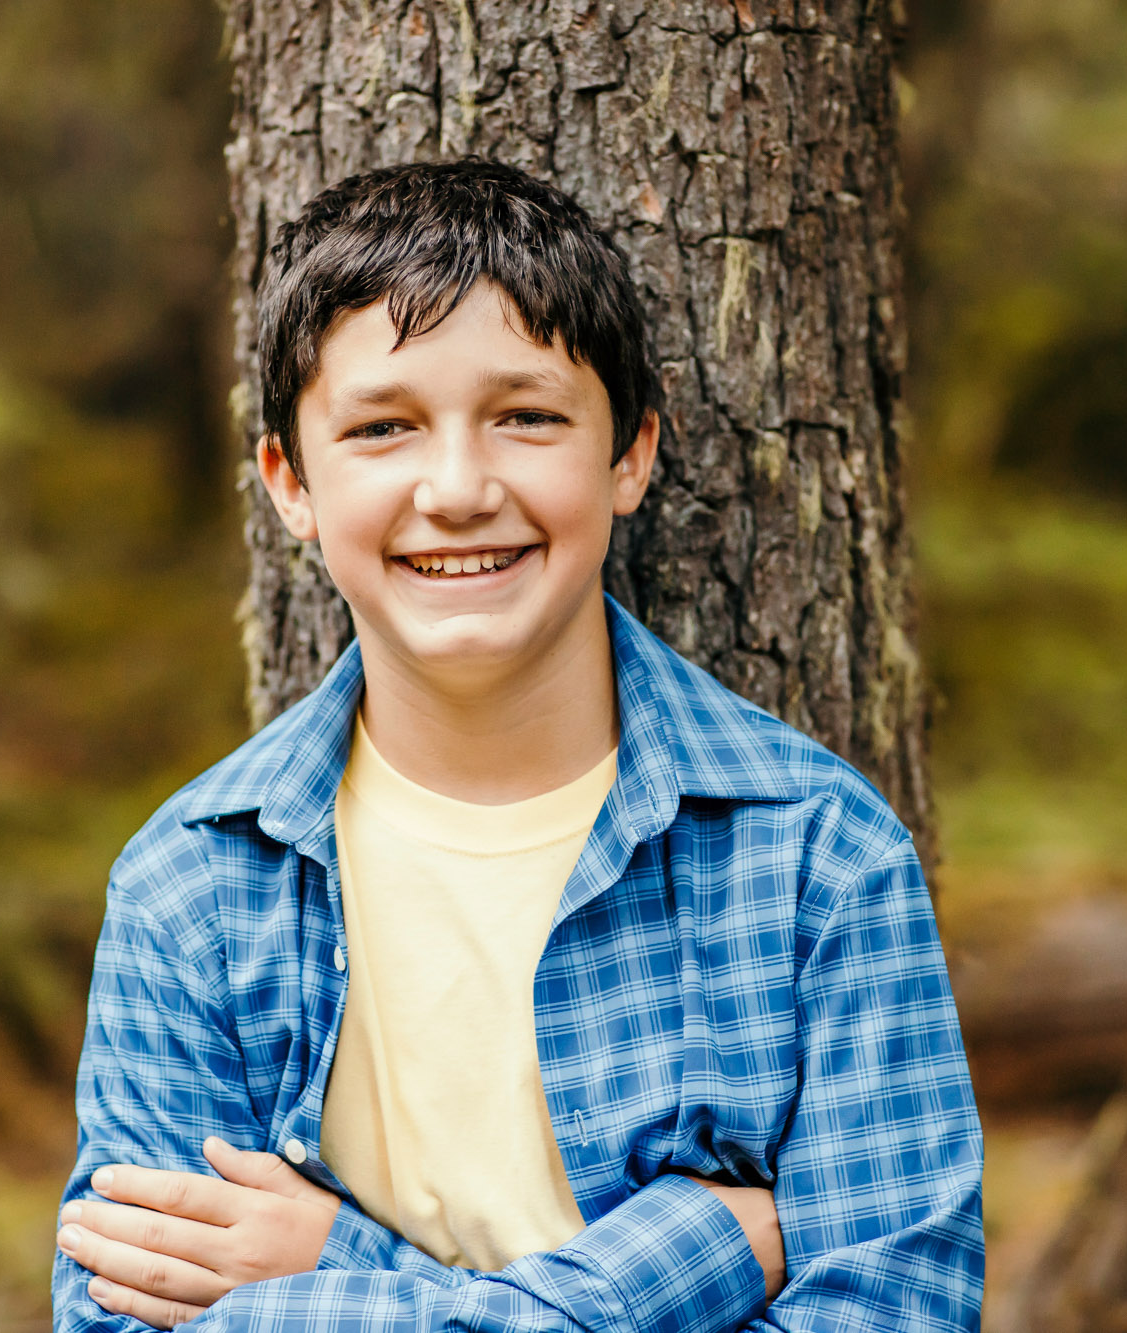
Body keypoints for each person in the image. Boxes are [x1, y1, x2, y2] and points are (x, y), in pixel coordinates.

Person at [49, 158, 984, 1332]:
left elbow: (897, 1317)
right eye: (382, 427)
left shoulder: (817, 861)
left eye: (526, 417)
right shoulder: (190, 887)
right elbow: (119, 1320)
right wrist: (686, 1257)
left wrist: (333, 1267)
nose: (455, 487)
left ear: (630, 452)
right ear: (289, 483)